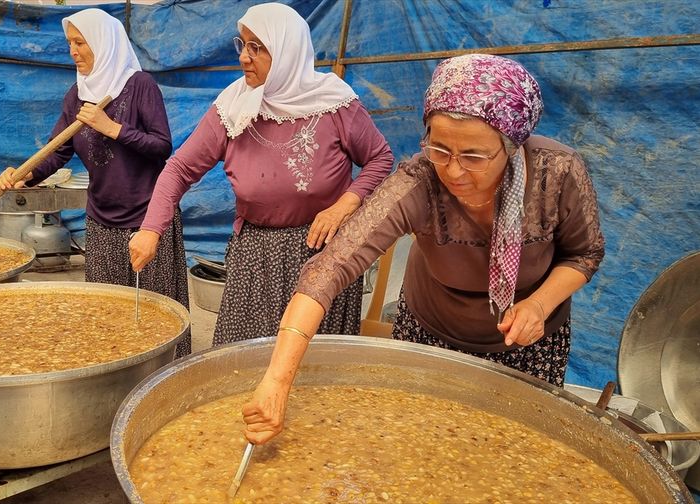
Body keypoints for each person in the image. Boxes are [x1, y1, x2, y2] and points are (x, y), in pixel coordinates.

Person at [241, 53, 606, 445]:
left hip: (528, 347)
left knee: (514, 452)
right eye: (440, 148)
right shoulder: (419, 182)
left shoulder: (558, 174)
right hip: (429, 340)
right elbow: (327, 271)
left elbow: (583, 255)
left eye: (473, 156)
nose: (452, 170)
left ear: (512, 147)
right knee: (419, 445)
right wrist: (277, 382)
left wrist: (538, 305)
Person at [129, 2, 393, 346]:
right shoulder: (233, 107)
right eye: (242, 44)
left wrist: (345, 204)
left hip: (322, 252)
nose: (243, 57)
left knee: (313, 363)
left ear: (287, 50)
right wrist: (151, 229)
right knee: (242, 358)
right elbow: (179, 169)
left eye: (257, 47)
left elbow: (380, 158)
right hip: (256, 255)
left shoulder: (334, 104)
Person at [0, 9, 191, 356]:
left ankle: (161, 375)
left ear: (104, 43)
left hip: (147, 219)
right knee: (105, 308)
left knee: (153, 309)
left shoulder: (139, 86)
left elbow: (162, 146)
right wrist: (27, 174)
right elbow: (58, 151)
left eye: (80, 42)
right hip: (102, 219)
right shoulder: (76, 95)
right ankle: (113, 369)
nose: (73, 50)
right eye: (70, 42)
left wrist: (112, 127)